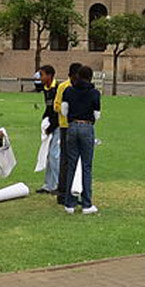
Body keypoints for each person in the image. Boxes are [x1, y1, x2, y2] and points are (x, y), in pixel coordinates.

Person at [61, 64, 101, 214]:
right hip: (86, 126)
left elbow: (64, 110)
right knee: (86, 166)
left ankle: (69, 203)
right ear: (90, 77)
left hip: (72, 126)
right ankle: (86, 203)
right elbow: (97, 114)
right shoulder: (94, 93)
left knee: (71, 163)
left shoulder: (68, 90)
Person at [52, 62, 80, 205]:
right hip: (65, 126)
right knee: (65, 160)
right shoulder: (63, 87)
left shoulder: (79, 87)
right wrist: (66, 110)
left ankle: (73, 190)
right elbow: (56, 106)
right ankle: (62, 192)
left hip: (76, 126)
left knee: (75, 160)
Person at [36, 65, 61, 195]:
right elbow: (49, 107)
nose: (40, 77)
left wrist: (51, 127)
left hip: (59, 125)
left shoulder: (58, 88)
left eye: (42, 75)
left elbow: (58, 111)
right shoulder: (46, 89)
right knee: (48, 155)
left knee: (54, 155)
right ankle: (49, 185)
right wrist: (45, 119)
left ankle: (59, 185)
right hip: (51, 124)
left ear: (50, 75)